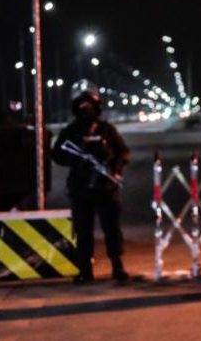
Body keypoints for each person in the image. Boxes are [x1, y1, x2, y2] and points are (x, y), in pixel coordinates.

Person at [52, 80, 130, 283]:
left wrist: (115, 169)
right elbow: (57, 154)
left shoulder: (106, 129)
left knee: (112, 229)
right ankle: (85, 270)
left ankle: (118, 267)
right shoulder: (70, 131)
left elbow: (123, 152)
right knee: (83, 232)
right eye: (82, 104)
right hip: (80, 189)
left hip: (106, 187)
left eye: (89, 104)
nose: (85, 108)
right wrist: (77, 160)